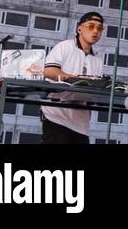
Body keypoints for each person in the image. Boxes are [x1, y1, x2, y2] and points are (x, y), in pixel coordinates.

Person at [40, 11, 104, 144]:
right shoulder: (65, 46)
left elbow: (95, 88)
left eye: (99, 28)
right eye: (91, 26)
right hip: (57, 116)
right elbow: (49, 70)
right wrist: (75, 80)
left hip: (81, 122)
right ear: (79, 28)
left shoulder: (97, 59)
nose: (95, 31)